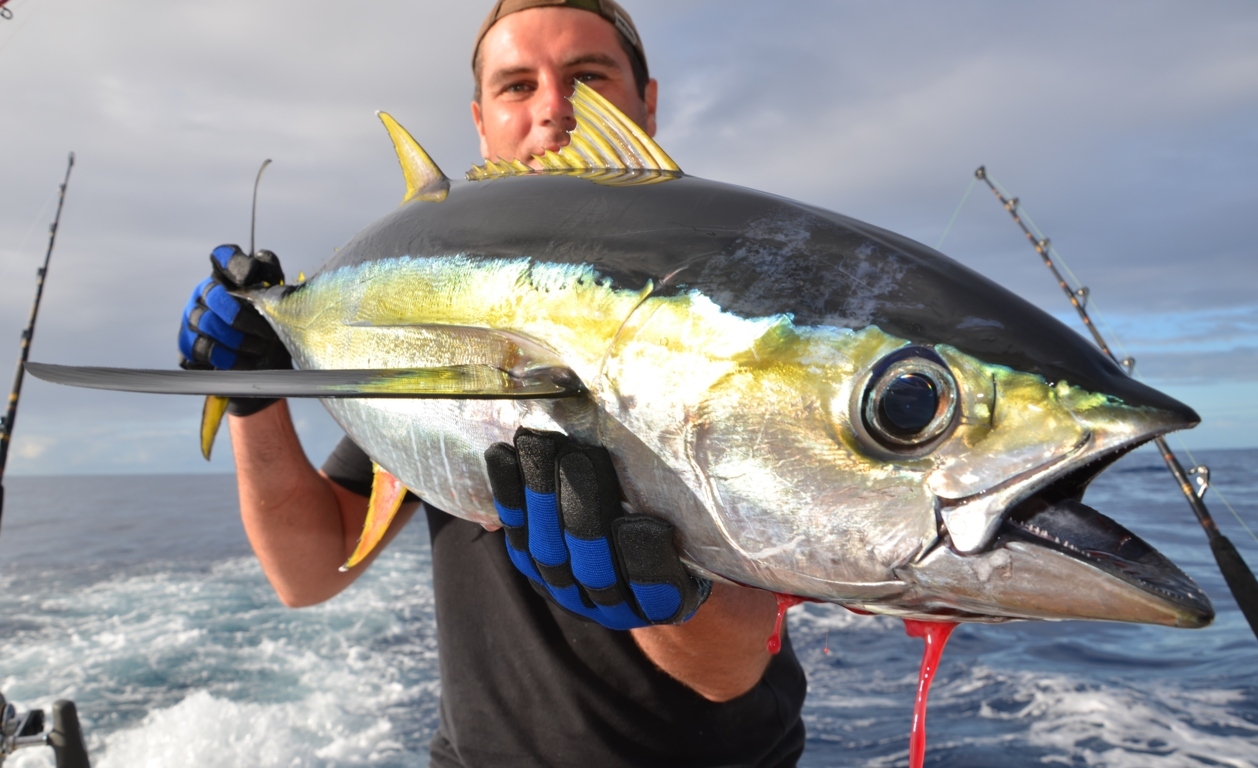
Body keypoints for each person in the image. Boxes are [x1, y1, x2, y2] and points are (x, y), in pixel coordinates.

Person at [179, 2, 807, 765]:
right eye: (517, 85)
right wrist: (254, 395)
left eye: (589, 74)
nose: (555, 109)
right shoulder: (434, 314)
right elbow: (306, 573)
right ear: (481, 123)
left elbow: (731, 669)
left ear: (648, 101)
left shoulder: (725, 283)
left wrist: (675, 602)